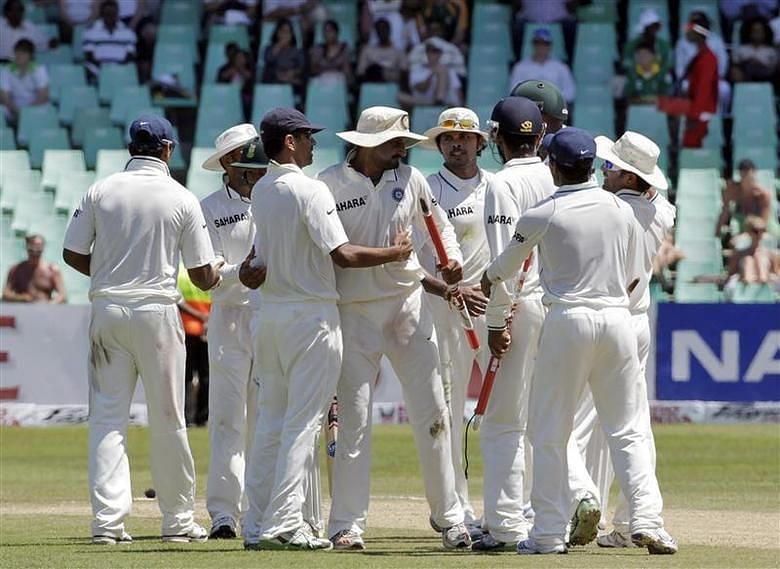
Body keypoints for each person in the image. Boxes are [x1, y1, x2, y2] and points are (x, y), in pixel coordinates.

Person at [481, 127, 677, 555]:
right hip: (618, 318)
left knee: (548, 429)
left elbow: (504, 268)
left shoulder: (543, 211)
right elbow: (629, 271)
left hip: (568, 318)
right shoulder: (625, 210)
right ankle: (649, 521)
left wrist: (488, 277)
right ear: (591, 166)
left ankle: (549, 533)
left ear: (553, 166)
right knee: (627, 430)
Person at [241, 107, 413, 551]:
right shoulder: (311, 190)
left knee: (271, 424)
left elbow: (257, 261)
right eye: (307, 136)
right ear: (290, 142)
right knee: (302, 422)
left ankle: (257, 524)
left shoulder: (261, 188)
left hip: (273, 315)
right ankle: (286, 523)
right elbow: (343, 255)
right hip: (311, 316)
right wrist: (394, 254)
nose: (315, 144)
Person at [62, 114, 221, 544]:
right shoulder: (182, 196)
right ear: (168, 150)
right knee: (169, 417)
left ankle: (107, 525)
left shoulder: (100, 190)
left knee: (107, 419)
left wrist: (112, 273)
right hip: (157, 312)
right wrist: (224, 272)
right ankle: (176, 521)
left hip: (109, 310)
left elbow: (71, 253)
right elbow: (203, 274)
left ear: (132, 147)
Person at [317, 106, 471, 551]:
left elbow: (436, 224)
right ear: (366, 146)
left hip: (407, 306)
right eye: (394, 144)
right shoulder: (328, 184)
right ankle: (345, 524)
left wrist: (453, 258)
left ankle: (451, 518)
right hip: (353, 311)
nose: (402, 150)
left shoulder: (410, 179)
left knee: (434, 415)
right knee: (353, 420)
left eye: (404, 143)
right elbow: (334, 252)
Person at [574, 131, 677, 549]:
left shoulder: (613, 209)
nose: (603, 170)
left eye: (611, 167)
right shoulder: (663, 210)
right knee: (628, 424)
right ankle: (631, 518)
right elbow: (655, 194)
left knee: (577, 420)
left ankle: (572, 504)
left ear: (631, 178)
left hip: (605, 317)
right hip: (635, 321)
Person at [470, 96, 555, 552]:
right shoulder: (555, 173)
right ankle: (547, 520)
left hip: (520, 307)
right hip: (555, 307)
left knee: (502, 421)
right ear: (539, 137)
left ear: (496, 138)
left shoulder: (501, 184)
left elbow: (506, 260)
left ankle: (505, 525)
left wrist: (496, 322)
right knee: (543, 419)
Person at [418, 107, 492, 539]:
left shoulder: (498, 188)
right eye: (449, 138)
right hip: (443, 308)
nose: (457, 144)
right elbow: (411, 254)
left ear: (481, 143)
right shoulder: (427, 189)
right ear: (440, 145)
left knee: (504, 405)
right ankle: (454, 504)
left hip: (491, 307)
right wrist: (447, 289)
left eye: (465, 138)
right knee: (446, 407)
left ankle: (511, 503)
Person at [199, 123, 262, 539]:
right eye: (246, 158)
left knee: (267, 415)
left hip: (272, 314)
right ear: (227, 162)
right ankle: (224, 513)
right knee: (227, 418)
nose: (255, 166)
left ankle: (263, 507)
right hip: (230, 317)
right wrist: (248, 271)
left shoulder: (276, 194)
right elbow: (212, 273)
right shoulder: (208, 207)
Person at [674, 11, 731, 113]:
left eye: (700, 24)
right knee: (684, 87)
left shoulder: (716, 41)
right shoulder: (682, 43)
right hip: (690, 81)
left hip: (712, 79)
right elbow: (679, 69)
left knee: (724, 89)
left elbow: (723, 64)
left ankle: (721, 119)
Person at [177, 265, 211, 427]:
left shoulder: (181, 273)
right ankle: (203, 418)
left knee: (187, 376)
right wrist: (207, 319)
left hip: (188, 328)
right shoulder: (211, 269)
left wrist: (198, 316)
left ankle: (187, 418)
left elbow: (177, 299)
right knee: (206, 376)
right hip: (209, 328)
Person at [507, 28, 575, 105]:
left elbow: (570, 92)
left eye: (545, 44)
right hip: (528, 107)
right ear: (533, 45)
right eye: (538, 43)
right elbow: (514, 91)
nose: (541, 47)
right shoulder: (520, 67)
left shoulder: (561, 67)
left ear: (550, 46)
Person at [680, 21, 718, 148]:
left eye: (691, 30)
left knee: (693, 148)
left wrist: (694, 116)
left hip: (702, 112)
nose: (687, 32)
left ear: (699, 34)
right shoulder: (700, 55)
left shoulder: (708, 58)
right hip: (695, 109)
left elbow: (704, 89)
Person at [716, 158, 772, 239]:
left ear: (754, 173)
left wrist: (747, 236)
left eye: (748, 173)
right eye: (743, 172)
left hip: (761, 226)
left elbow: (764, 222)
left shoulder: (763, 195)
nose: (746, 177)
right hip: (741, 226)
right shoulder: (732, 191)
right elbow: (724, 212)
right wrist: (716, 233)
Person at [400, 36, 464, 107]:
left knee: (443, 71)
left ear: (440, 54)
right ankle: (436, 102)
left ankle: (439, 99)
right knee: (401, 97)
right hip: (424, 101)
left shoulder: (449, 70)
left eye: (435, 51)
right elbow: (421, 88)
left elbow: (457, 91)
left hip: (446, 101)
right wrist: (431, 74)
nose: (432, 54)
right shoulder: (417, 69)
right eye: (429, 51)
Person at [82, 0, 137, 80]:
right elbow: (89, 56)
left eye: (113, 14)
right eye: (107, 14)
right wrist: (105, 71)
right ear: (102, 15)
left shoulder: (128, 33)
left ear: (117, 14)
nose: (110, 16)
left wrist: (116, 71)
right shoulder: (90, 32)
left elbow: (130, 56)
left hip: (121, 72)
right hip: (98, 73)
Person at [3, 234, 66, 303]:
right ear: (26, 247)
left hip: (45, 310)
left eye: (38, 250)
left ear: (43, 248)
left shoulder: (52, 270)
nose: (34, 252)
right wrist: (21, 298)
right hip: (22, 310)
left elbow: (62, 295)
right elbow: (6, 294)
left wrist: (51, 305)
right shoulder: (16, 269)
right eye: (31, 250)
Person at [0, 39, 49, 125]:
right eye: (17, 52)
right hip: (14, 106)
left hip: (34, 105)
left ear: (30, 55)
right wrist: (16, 110)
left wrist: (27, 112)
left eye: (23, 53)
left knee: (46, 107)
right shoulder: (6, 70)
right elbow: (4, 97)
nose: (19, 55)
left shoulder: (39, 69)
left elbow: (43, 95)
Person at [726, 215, 780, 284]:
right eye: (755, 231)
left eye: (763, 230)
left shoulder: (771, 254)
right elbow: (730, 274)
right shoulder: (739, 254)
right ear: (748, 232)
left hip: (766, 287)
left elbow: (776, 273)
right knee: (748, 260)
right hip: (745, 285)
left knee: (760, 259)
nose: (759, 234)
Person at [623, 8, 672, 79]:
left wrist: (654, 77)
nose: (654, 30)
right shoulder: (630, 46)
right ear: (643, 29)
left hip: (658, 83)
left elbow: (667, 65)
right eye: (650, 27)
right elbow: (627, 65)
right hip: (637, 82)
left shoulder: (664, 46)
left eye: (656, 27)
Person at [356, 17, 406, 83]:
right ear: (376, 32)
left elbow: (404, 73)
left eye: (384, 29)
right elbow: (360, 73)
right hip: (372, 85)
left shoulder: (399, 52)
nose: (382, 32)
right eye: (379, 29)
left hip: (392, 85)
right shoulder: (367, 51)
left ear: (389, 30)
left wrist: (383, 73)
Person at [261, 18, 304, 92]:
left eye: (288, 32)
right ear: (278, 33)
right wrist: (279, 46)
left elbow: (302, 67)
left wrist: (293, 72)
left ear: (292, 34)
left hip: (291, 82)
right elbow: (268, 59)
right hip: (273, 82)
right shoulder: (268, 48)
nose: (285, 34)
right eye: (283, 31)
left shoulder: (297, 51)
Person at [731, 17, 779, 82]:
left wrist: (760, 65)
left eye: (760, 31)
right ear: (749, 32)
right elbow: (735, 65)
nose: (757, 34)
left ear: (765, 32)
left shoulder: (771, 51)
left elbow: (774, 69)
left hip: (766, 79)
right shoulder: (741, 49)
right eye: (754, 31)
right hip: (745, 79)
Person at [623, 40, 673, 105]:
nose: (642, 57)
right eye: (639, 54)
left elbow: (667, 97)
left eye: (645, 54)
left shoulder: (662, 74)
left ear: (653, 56)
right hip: (638, 110)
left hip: (658, 111)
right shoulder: (632, 74)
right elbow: (627, 97)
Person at [217, 43, 254, 121]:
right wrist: (230, 73)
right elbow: (219, 83)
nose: (239, 60)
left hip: (244, 97)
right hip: (227, 96)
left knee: (247, 102)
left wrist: (241, 70)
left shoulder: (250, 69)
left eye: (241, 58)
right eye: (237, 58)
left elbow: (251, 84)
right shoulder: (224, 69)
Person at [308, 19, 352, 84]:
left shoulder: (345, 48)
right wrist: (327, 70)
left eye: (330, 31)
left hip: (338, 79)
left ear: (336, 32)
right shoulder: (317, 49)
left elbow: (346, 70)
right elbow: (312, 69)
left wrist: (333, 71)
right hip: (321, 78)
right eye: (325, 31)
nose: (327, 34)